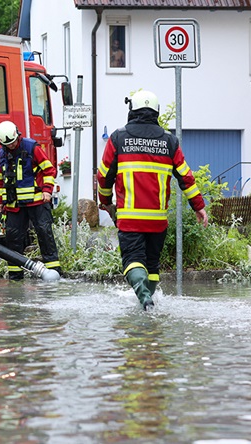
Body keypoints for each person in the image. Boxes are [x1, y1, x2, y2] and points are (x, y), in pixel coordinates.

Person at [97, 90, 208, 310]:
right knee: (152, 265)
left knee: (132, 261)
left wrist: (106, 201)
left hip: (130, 218)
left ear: (132, 110)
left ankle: (144, 299)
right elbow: (186, 177)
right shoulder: (169, 141)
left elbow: (104, 176)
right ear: (155, 112)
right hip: (157, 220)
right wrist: (199, 206)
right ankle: (149, 302)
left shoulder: (118, 138)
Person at [0, 120, 62, 279]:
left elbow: (49, 170)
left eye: (13, 142)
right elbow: (0, 179)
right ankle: (15, 276)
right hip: (14, 205)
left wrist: (47, 190)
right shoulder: (2, 153)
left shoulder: (32, 147)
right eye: (8, 144)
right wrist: (0, 201)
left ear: (18, 136)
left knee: (44, 233)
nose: (12, 146)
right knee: (13, 238)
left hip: (37, 200)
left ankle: (54, 272)